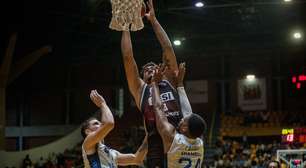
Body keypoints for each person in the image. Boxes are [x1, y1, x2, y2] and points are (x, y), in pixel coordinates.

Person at [121, 0, 192, 166]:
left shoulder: (170, 81)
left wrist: (153, 20)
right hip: (156, 148)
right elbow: (127, 58)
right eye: (146, 69)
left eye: (154, 67)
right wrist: (125, 27)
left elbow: (167, 48)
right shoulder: (141, 90)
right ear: (143, 77)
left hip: (179, 141)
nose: (151, 69)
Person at [151, 67, 206, 168]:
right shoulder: (199, 143)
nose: (181, 118)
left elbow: (158, 108)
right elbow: (188, 113)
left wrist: (154, 83)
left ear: (185, 128)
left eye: (183, 120)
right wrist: (180, 84)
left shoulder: (173, 140)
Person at [81, 90, 148, 168]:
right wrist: (103, 104)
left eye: (100, 122)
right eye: (96, 123)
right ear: (88, 131)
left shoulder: (112, 153)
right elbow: (109, 123)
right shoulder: (88, 143)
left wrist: (149, 135)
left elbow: (137, 159)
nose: (100, 124)